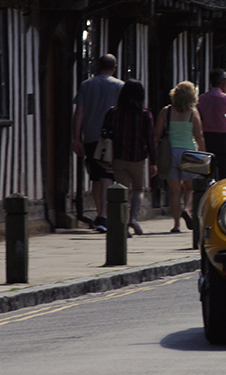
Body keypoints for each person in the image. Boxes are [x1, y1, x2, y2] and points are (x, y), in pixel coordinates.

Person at [72, 54, 124, 233]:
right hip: (110, 137)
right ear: (114, 67)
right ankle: (103, 216)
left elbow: (78, 113)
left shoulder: (86, 85)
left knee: (95, 177)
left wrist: (77, 138)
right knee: (106, 176)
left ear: (98, 66)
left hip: (91, 136)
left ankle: (99, 212)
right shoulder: (120, 86)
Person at [102, 79, 157, 237]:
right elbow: (151, 139)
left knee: (121, 194)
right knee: (138, 189)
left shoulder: (112, 112)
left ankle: (122, 225)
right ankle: (133, 218)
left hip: (118, 157)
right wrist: (154, 161)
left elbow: (105, 133)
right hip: (137, 157)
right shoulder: (145, 115)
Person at [155, 81, 206, 233]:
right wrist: (203, 154)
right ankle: (187, 208)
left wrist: (155, 154)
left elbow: (156, 134)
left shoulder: (166, 111)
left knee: (174, 191)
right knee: (189, 187)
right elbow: (199, 136)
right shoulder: (193, 113)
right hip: (188, 153)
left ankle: (176, 224)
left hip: (170, 153)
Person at [197, 68, 226, 180]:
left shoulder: (202, 99)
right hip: (222, 136)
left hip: (207, 135)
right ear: (223, 82)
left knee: (209, 167)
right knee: (224, 167)